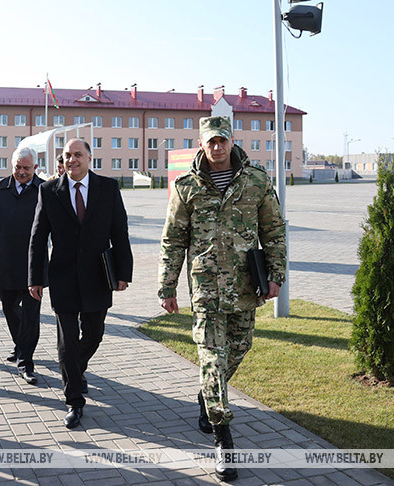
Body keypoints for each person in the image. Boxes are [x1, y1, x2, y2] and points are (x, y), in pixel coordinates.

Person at [158, 116, 286, 481]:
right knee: (212, 359)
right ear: (202, 143)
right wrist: (167, 287)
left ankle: (207, 395)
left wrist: (276, 276)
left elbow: (273, 230)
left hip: (247, 287)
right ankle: (223, 439)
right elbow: (173, 240)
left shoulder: (257, 180)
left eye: (222, 141)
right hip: (207, 290)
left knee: (241, 347)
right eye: (211, 141)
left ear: (232, 142)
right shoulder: (186, 186)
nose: (217, 147)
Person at [29, 138, 133, 429]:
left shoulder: (108, 188)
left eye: (78, 154)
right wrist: (35, 278)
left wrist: (124, 273)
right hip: (62, 276)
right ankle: (74, 399)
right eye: (67, 156)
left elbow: (120, 232)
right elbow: (38, 237)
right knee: (67, 340)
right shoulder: (49, 190)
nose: (72, 160)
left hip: (98, 275)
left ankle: (75, 368)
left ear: (89, 158)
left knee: (94, 334)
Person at [0, 147, 46, 385]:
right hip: (6, 261)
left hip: (34, 264)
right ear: (11, 165)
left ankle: (26, 361)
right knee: (9, 307)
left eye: (26, 168)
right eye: (17, 167)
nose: (21, 172)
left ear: (35, 168)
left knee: (31, 314)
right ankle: (21, 344)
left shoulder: (44, 190)